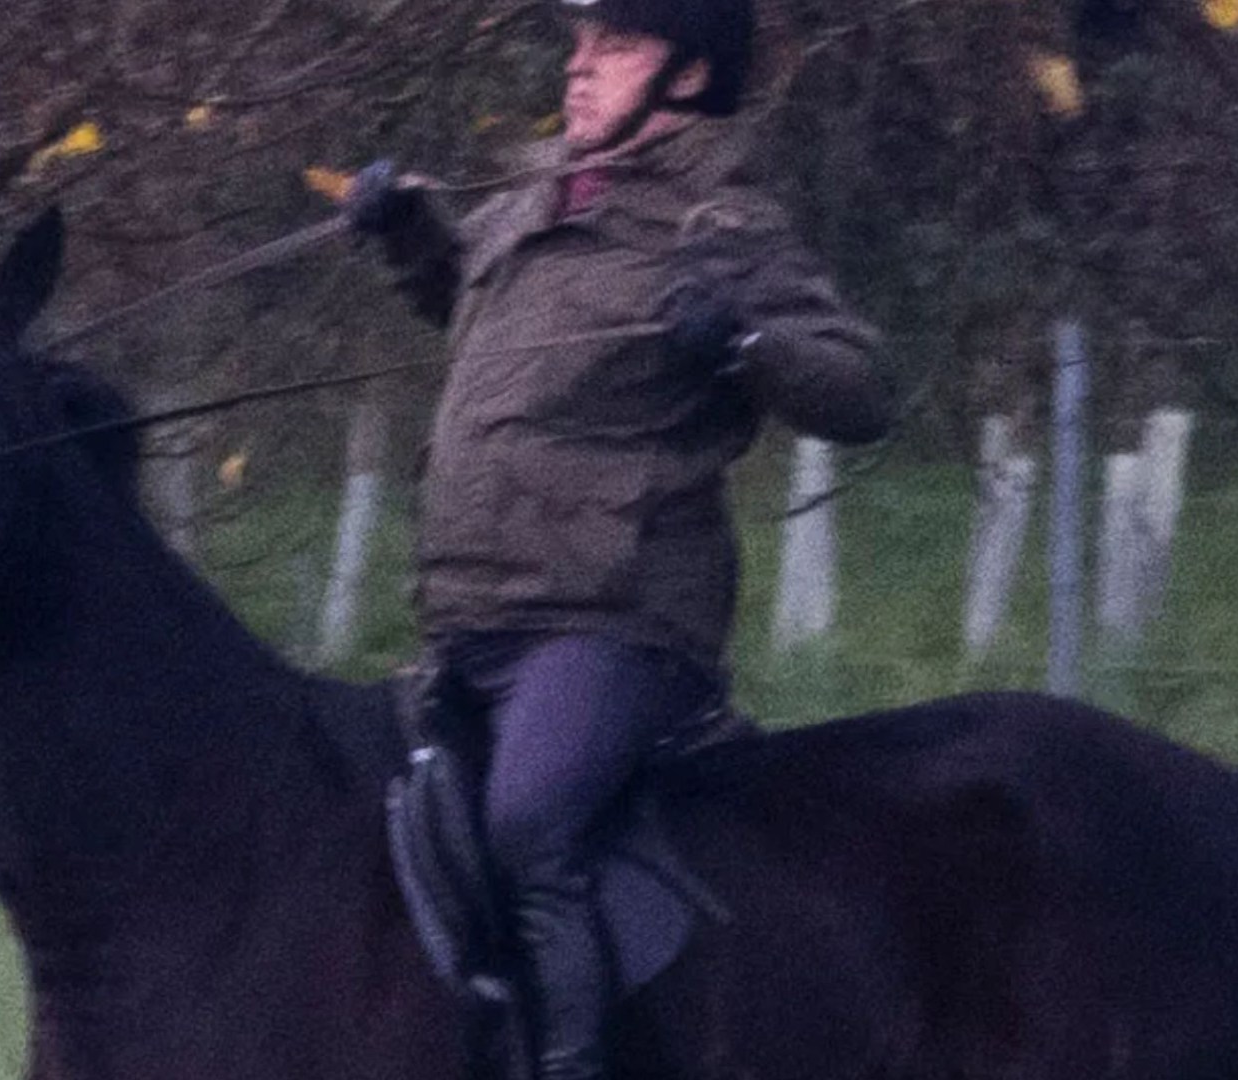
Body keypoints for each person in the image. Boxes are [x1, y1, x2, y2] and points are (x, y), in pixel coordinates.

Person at [347, 0, 888, 1075]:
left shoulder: (722, 227)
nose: (581, 67)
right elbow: (481, 321)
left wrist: (740, 340)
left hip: (618, 621)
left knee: (532, 823)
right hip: (473, 611)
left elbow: (862, 389)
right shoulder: (529, 202)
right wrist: (413, 242)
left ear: (688, 76)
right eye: (581, 42)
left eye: (618, 46)